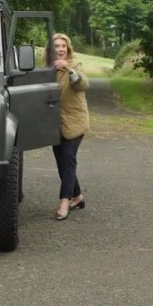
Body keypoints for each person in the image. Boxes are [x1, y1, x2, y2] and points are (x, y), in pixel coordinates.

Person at [49, 33, 90, 221]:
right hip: (54, 124)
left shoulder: (74, 65)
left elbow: (82, 84)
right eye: (56, 46)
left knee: (68, 159)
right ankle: (78, 197)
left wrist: (69, 70)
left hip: (75, 120)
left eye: (63, 46)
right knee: (62, 163)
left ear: (68, 48)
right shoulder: (47, 69)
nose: (60, 49)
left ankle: (64, 201)